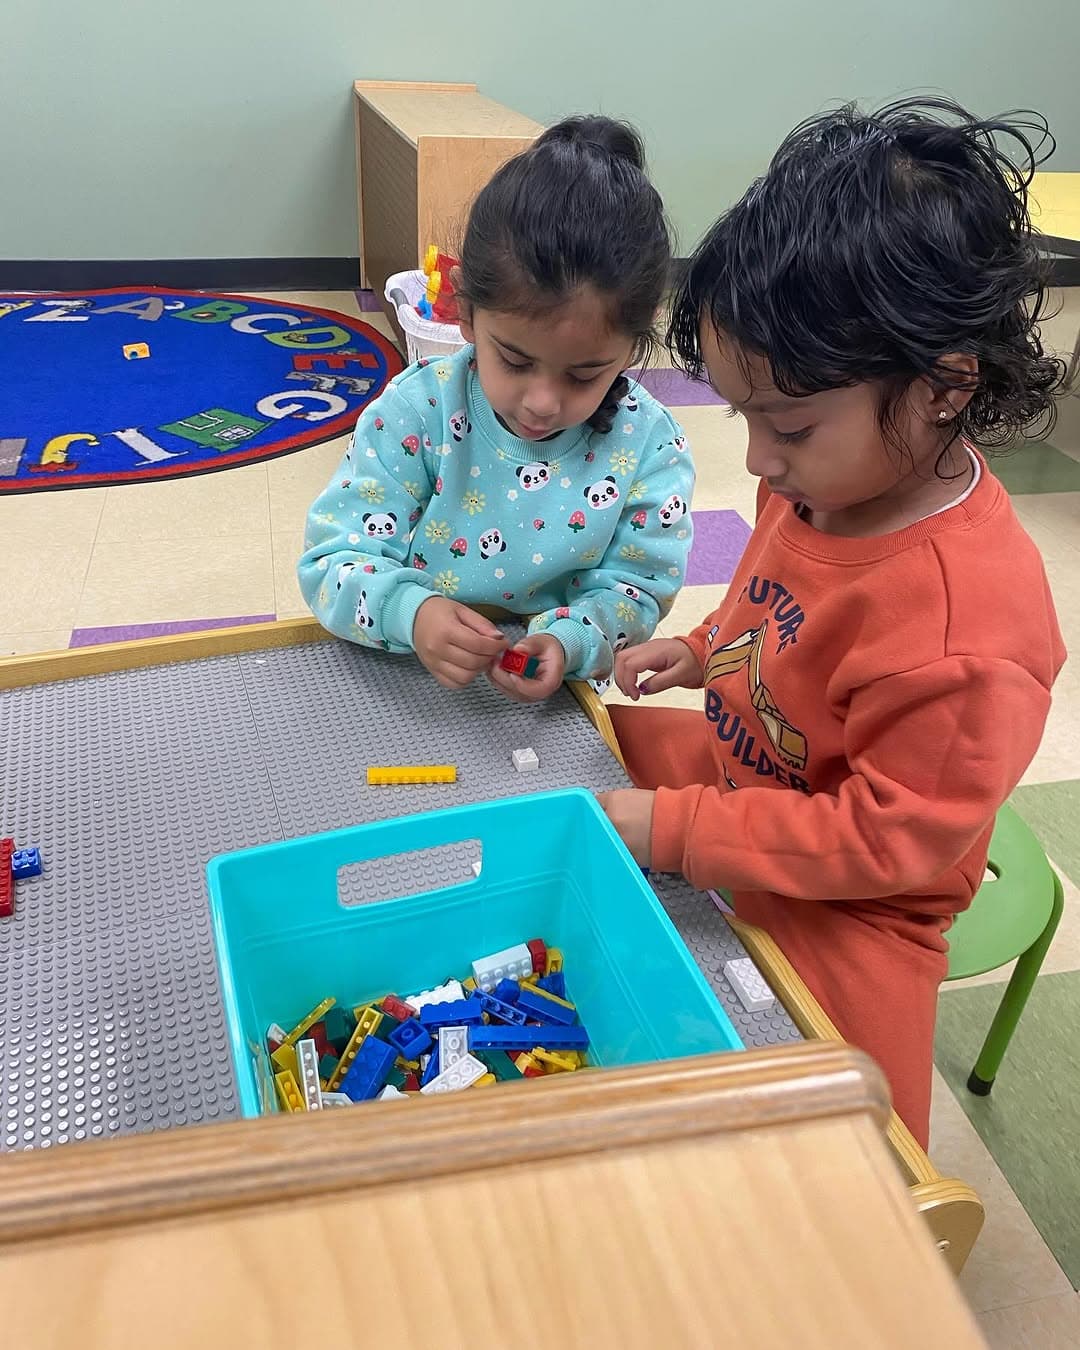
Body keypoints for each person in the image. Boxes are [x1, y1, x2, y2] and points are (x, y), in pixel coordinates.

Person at [599, 98, 1067, 1147]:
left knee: (849, 1142)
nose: (758, 461)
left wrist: (681, 835)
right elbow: (772, 612)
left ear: (944, 387)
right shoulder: (825, 483)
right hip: (749, 767)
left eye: (790, 425)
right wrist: (702, 650)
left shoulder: (966, 631)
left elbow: (883, 842)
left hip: (867, 892)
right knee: (558, 766)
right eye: (744, 417)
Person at [298, 115, 694, 701]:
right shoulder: (416, 413)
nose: (542, 402)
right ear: (464, 312)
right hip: (402, 675)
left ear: (633, 347)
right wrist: (410, 610)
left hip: (547, 697)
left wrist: (571, 640)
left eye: (584, 374)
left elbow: (638, 589)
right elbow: (333, 560)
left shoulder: (649, 445)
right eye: (513, 360)